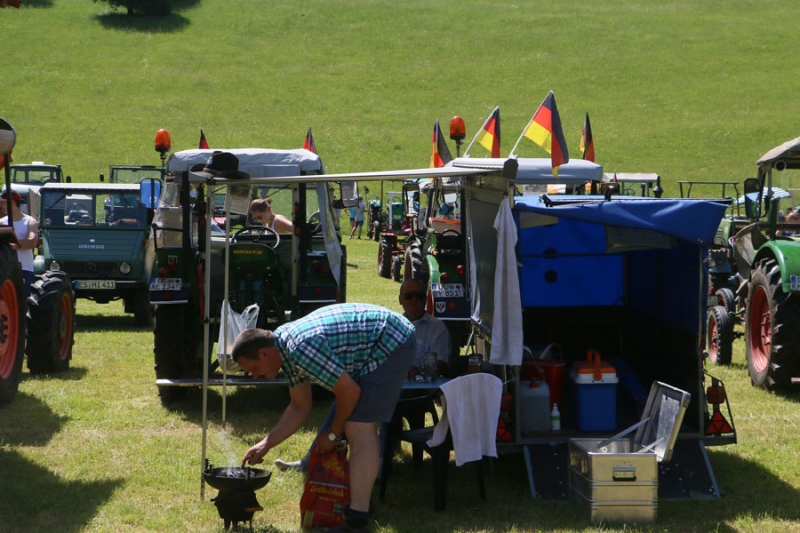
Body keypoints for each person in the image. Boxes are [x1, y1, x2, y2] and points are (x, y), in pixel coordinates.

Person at [234, 303, 415, 533]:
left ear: (264, 353)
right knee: (353, 425)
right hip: (374, 343)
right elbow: (300, 407)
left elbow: (349, 392)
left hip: (393, 340)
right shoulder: (284, 351)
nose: (255, 375)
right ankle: (362, 502)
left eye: (254, 368)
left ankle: (358, 522)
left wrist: (332, 433)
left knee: (358, 427)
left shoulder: (299, 349)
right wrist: (265, 444)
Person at [273, 278, 452, 473]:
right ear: (400, 299)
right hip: (387, 383)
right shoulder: (391, 324)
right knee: (343, 403)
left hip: (418, 391)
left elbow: (442, 364)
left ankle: (379, 465)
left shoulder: (436, 327)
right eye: (409, 296)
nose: (414, 301)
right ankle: (312, 461)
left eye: (419, 296)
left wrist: (418, 369)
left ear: (425, 300)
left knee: (371, 404)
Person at [1, 190, 38, 296]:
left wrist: (13, 246)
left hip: (24, 270)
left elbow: (32, 242)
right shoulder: (2, 222)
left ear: (12, 202)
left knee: (23, 303)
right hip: (5, 271)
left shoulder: (30, 221)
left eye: (3, 202)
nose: (1, 206)